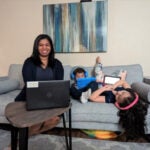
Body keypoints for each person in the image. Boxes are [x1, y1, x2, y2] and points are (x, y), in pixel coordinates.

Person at [15, 34, 64, 136]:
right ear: (36, 47)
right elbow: (29, 85)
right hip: (31, 98)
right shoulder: (29, 63)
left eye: (47, 45)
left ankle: (25, 137)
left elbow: (58, 86)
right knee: (37, 119)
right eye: (41, 45)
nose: (44, 48)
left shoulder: (57, 64)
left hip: (51, 99)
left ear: (51, 47)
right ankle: (21, 142)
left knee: (54, 120)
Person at [89, 71, 150, 141]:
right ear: (128, 92)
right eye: (123, 92)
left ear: (117, 103)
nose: (118, 92)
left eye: (118, 97)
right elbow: (123, 82)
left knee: (92, 83)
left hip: (99, 87)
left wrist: (104, 88)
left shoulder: (110, 98)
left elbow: (92, 98)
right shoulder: (129, 92)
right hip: (110, 83)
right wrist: (113, 86)